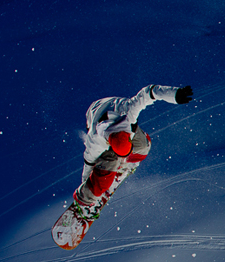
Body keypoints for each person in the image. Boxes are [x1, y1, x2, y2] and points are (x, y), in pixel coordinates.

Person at [71, 84, 193, 218]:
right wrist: (87, 185)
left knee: (143, 147)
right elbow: (88, 164)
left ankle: (123, 162)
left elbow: (149, 92)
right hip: (94, 113)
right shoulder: (95, 142)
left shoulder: (129, 111)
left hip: (116, 109)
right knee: (109, 161)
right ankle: (85, 202)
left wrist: (174, 94)